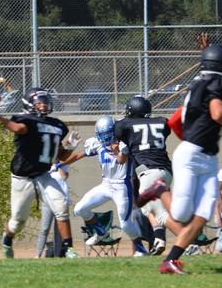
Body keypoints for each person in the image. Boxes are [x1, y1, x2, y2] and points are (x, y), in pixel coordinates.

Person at [158, 44, 222, 274]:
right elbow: (218, 113)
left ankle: (170, 261)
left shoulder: (197, 83)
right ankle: (160, 190)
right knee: (180, 214)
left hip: (204, 156)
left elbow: (176, 119)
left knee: (203, 213)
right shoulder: (219, 83)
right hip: (194, 155)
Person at [0, 87, 80, 259]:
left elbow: (60, 157)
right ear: (29, 104)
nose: (44, 105)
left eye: (46, 102)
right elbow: (17, 128)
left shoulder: (57, 125)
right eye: (39, 102)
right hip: (22, 177)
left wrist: (70, 147)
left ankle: (69, 249)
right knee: (18, 221)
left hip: (44, 175)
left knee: (61, 207)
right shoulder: (26, 120)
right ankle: (7, 240)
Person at [66, 116, 148, 256]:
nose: (105, 138)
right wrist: (60, 163)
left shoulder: (124, 143)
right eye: (102, 135)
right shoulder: (96, 143)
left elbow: (122, 160)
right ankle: (100, 231)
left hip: (122, 187)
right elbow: (80, 155)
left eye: (108, 134)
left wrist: (116, 150)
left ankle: (140, 250)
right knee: (80, 209)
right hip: (106, 184)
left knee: (125, 224)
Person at [115, 95, 171, 255]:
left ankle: (187, 238)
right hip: (166, 171)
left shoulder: (125, 124)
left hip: (149, 172)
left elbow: (118, 130)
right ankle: (159, 238)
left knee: (158, 211)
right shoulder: (161, 121)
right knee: (150, 207)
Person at [35, 163, 71, 258]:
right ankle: (37, 254)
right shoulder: (45, 163)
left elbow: (63, 176)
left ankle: (57, 255)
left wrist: (59, 165)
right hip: (47, 200)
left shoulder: (63, 164)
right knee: (44, 228)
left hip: (60, 201)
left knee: (59, 231)